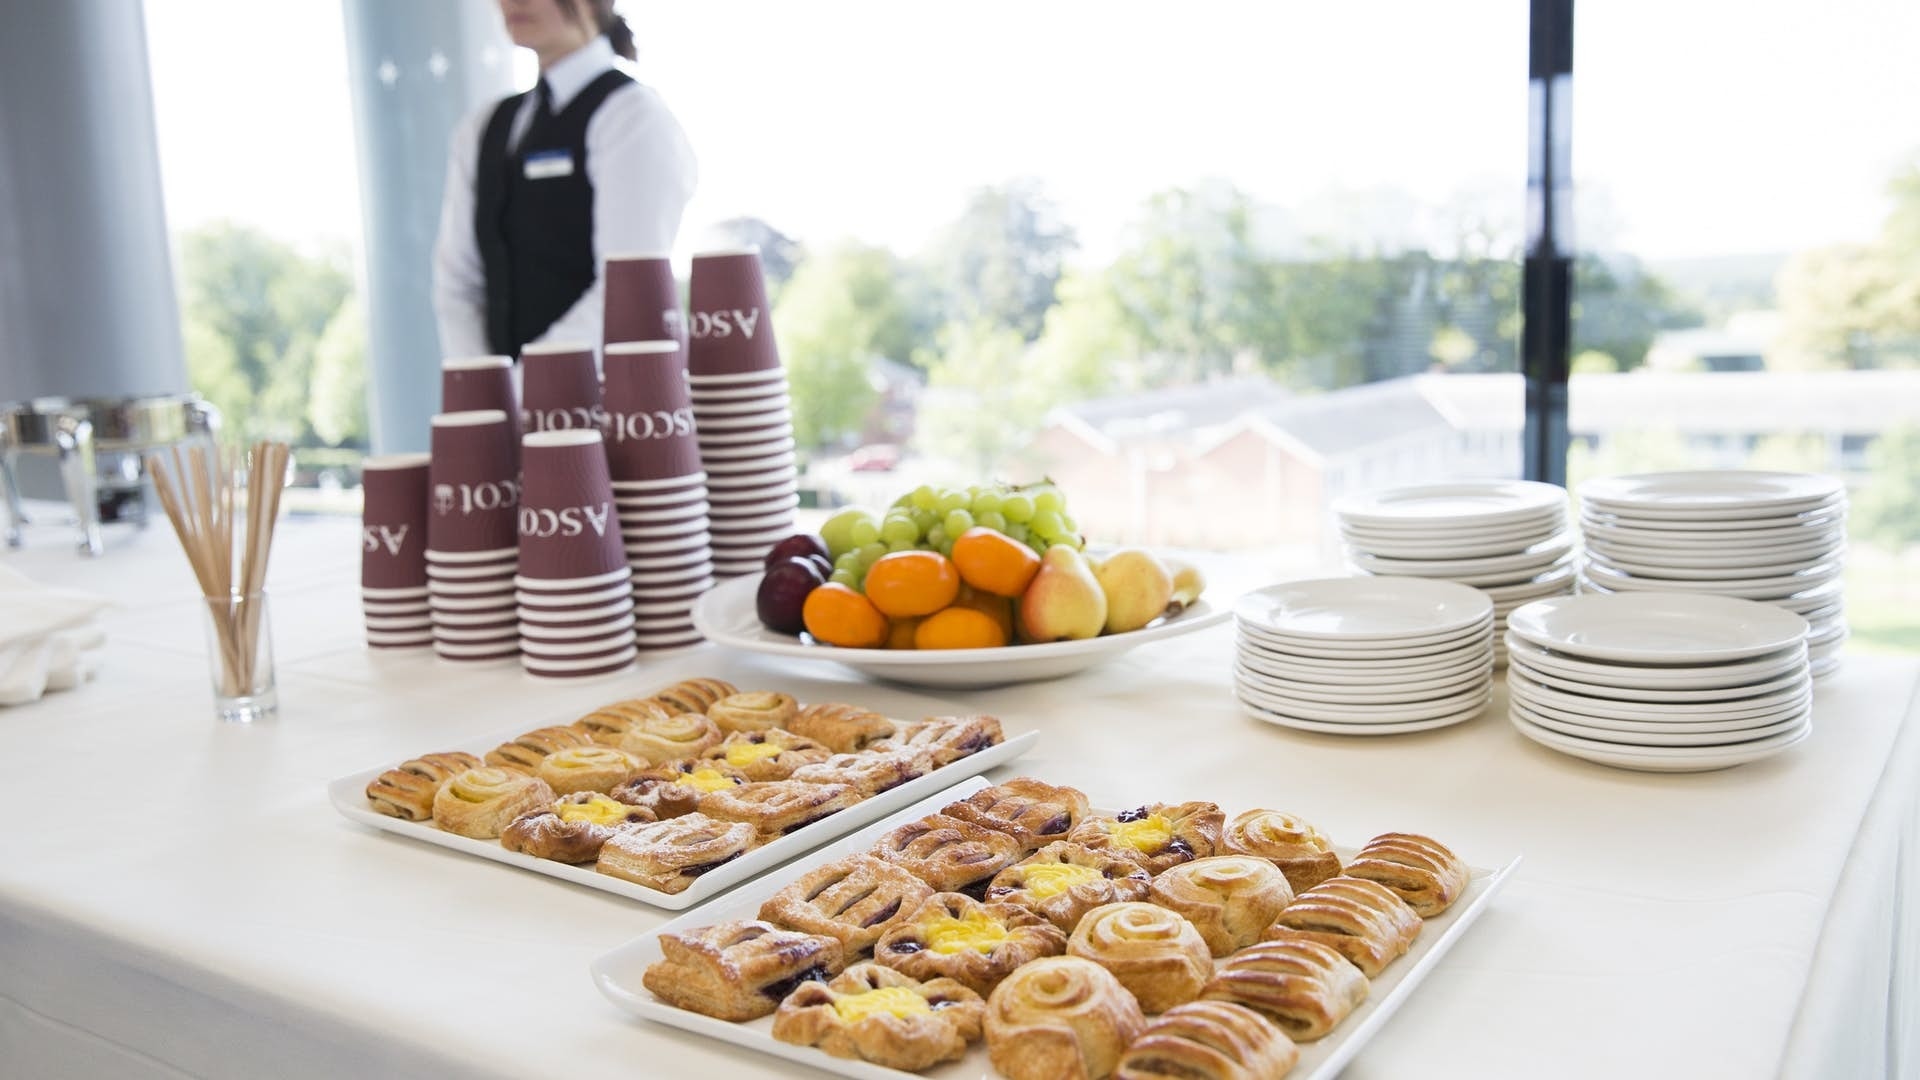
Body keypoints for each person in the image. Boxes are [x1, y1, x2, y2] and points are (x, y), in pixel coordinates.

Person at [434, 0, 696, 360]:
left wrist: (529, 384)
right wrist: (486, 386)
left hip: (613, 400)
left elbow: (626, 287)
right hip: (506, 403)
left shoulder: (633, 117)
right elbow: (457, 284)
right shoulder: (482, 128)